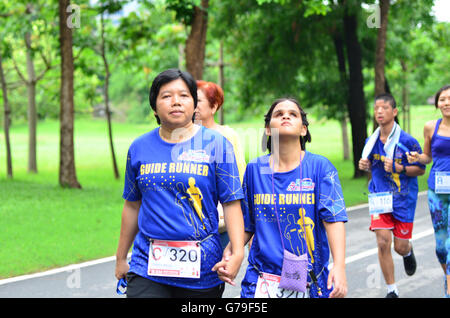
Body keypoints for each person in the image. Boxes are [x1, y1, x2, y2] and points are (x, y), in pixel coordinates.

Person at [114, 68, 245, 298]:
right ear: (154, 106)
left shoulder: (217, 144)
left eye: (184, 95)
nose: (176, 102)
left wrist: (237, 253)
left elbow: (231, 201)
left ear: (194, 104)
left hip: (203, 269)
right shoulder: (139, 148)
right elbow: (132, 205)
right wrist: (121, 257)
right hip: (147, 266)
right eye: (166, 96)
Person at [215, 98, 348, 298]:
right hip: (261, 279)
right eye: (278, 114)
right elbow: (247, 223)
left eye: (293, 114)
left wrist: (339, 266)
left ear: (303, 129)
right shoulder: (254, 170)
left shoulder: (321, 168)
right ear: (268, 129)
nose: (285, 116)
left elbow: (333, 220)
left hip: (310, 278)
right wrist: (232, 250)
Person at [359, 93, 426, 298]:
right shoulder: (370, 141)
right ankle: (392, 290)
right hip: (380, 196)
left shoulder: (408, 142)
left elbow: (421, 169)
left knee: (399, 246)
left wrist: (399, 167)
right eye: (376, 108)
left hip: (403, 198)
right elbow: (370, 165)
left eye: (384, 108)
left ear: (394, 111)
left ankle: (407, 251)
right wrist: (365, 165)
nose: (379, 112)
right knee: (382, 241)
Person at [407, 85, 450, 298]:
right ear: (437, 104)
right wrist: (417, 158)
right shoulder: (430, 127)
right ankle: (447, 276)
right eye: (443, 99)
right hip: (437, 191)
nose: (447, 103)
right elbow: (427, 157)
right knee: (441, 245)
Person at [195, 80, 247, 248]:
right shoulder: (180, 135)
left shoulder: (227, 135)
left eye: (198, 101)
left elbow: (238, 176)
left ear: (214, 106)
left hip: (220, 224)